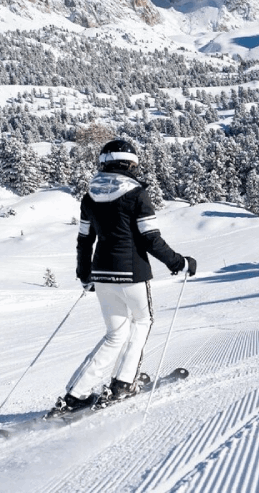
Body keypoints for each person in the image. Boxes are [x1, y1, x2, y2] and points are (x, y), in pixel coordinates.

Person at [49, 139, 197, 417]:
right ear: (130, 164)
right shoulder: (137, 194)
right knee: (143, 321)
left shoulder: (89, 196)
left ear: (104, 163)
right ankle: (123, 384)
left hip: (101, 273)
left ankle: (75, 396)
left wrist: (85, 275)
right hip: (133, 273)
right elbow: (151, 239)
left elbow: (84, 240)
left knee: (115, 334)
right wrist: (180, 263)